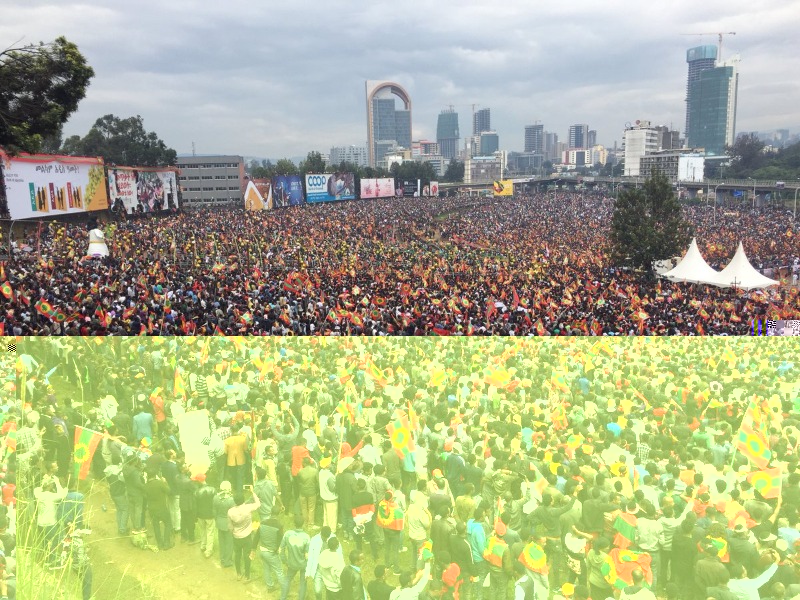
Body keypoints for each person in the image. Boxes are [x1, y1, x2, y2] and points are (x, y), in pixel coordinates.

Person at [227, 488, 261, 582]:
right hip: (247, 536)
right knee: (247, 556)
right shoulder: (248, 507)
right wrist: (253, 492)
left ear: (234, 501)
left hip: (236, 536)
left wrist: (233, 533)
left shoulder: (230, 511)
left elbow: (230, 527)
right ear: (243, 499)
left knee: (237, 555)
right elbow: (258, 503)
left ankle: (238, 574)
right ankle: (247, 576)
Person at [33, 475, 68, 566]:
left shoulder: (37, 493)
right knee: (54, 541)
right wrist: (57, 482)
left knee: (45, 541)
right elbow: (62, 495)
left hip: (40, 523)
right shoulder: (50, 496)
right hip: (50, 523)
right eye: (52, 484)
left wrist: (44, 482)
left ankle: (46, 557)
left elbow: (37, 488)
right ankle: (50, 560)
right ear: (49, 485)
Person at [280, 513, 311, 600]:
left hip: (292, 563)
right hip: (303, 564)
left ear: (294, 523)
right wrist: (309, 566)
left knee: (287, 579)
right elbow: (307, 554)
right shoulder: (306, 537)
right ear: (303, 524)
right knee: (303, 582)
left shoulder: (287, 534)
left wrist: (284, 560)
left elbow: (281, 548)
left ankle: (282, 598)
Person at [254, 510, 284, 592]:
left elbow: (256, 537)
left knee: (266, 569)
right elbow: (280, 540)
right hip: (271, 552)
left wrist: (253, 549)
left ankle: (270, 587)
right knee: (279, 570)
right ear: (278, 514)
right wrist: (276, 550)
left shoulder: (262, 523)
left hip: (262, 551)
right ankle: (284, 589)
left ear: (271, 513)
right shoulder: (279, 526)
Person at [377, 490, 405, 576]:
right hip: (394, 531)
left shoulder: (381, 504)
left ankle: (387, 564)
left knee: (387, 547)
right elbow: (400, 514)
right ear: (391, 498)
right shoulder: (394, 507)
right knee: (395, 550)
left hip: (385, 528)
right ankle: (396, 569)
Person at [144, 469, 173, 550]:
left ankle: (160, 544)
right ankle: (166, 543)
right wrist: (165, 482)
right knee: (168, 523)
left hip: (152, 509)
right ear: (155, 475)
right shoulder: (160, 483)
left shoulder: (145, 486)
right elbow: (169, 491)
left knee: (156, 526)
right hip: (162, 507)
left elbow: (145, 496)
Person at [213, 481, 235, 568]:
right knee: (229, 543)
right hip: (228, 524)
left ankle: (222, 559)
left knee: (221, 542)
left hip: (219, 522)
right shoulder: (231, 500)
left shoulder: (216, 497)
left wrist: (217, 519)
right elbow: (233, 514)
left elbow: (214, 511)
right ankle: (227, 561)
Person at [194, 473, 216, 559]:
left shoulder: (196, 492)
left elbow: (195, 505)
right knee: (210, 533)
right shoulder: (213, 489)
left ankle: (203, 545)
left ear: (199, 481)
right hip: (210, 515)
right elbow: (215, 502)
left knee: (203, 530)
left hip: (200, 515)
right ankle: (208, 550)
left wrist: (195, 516)